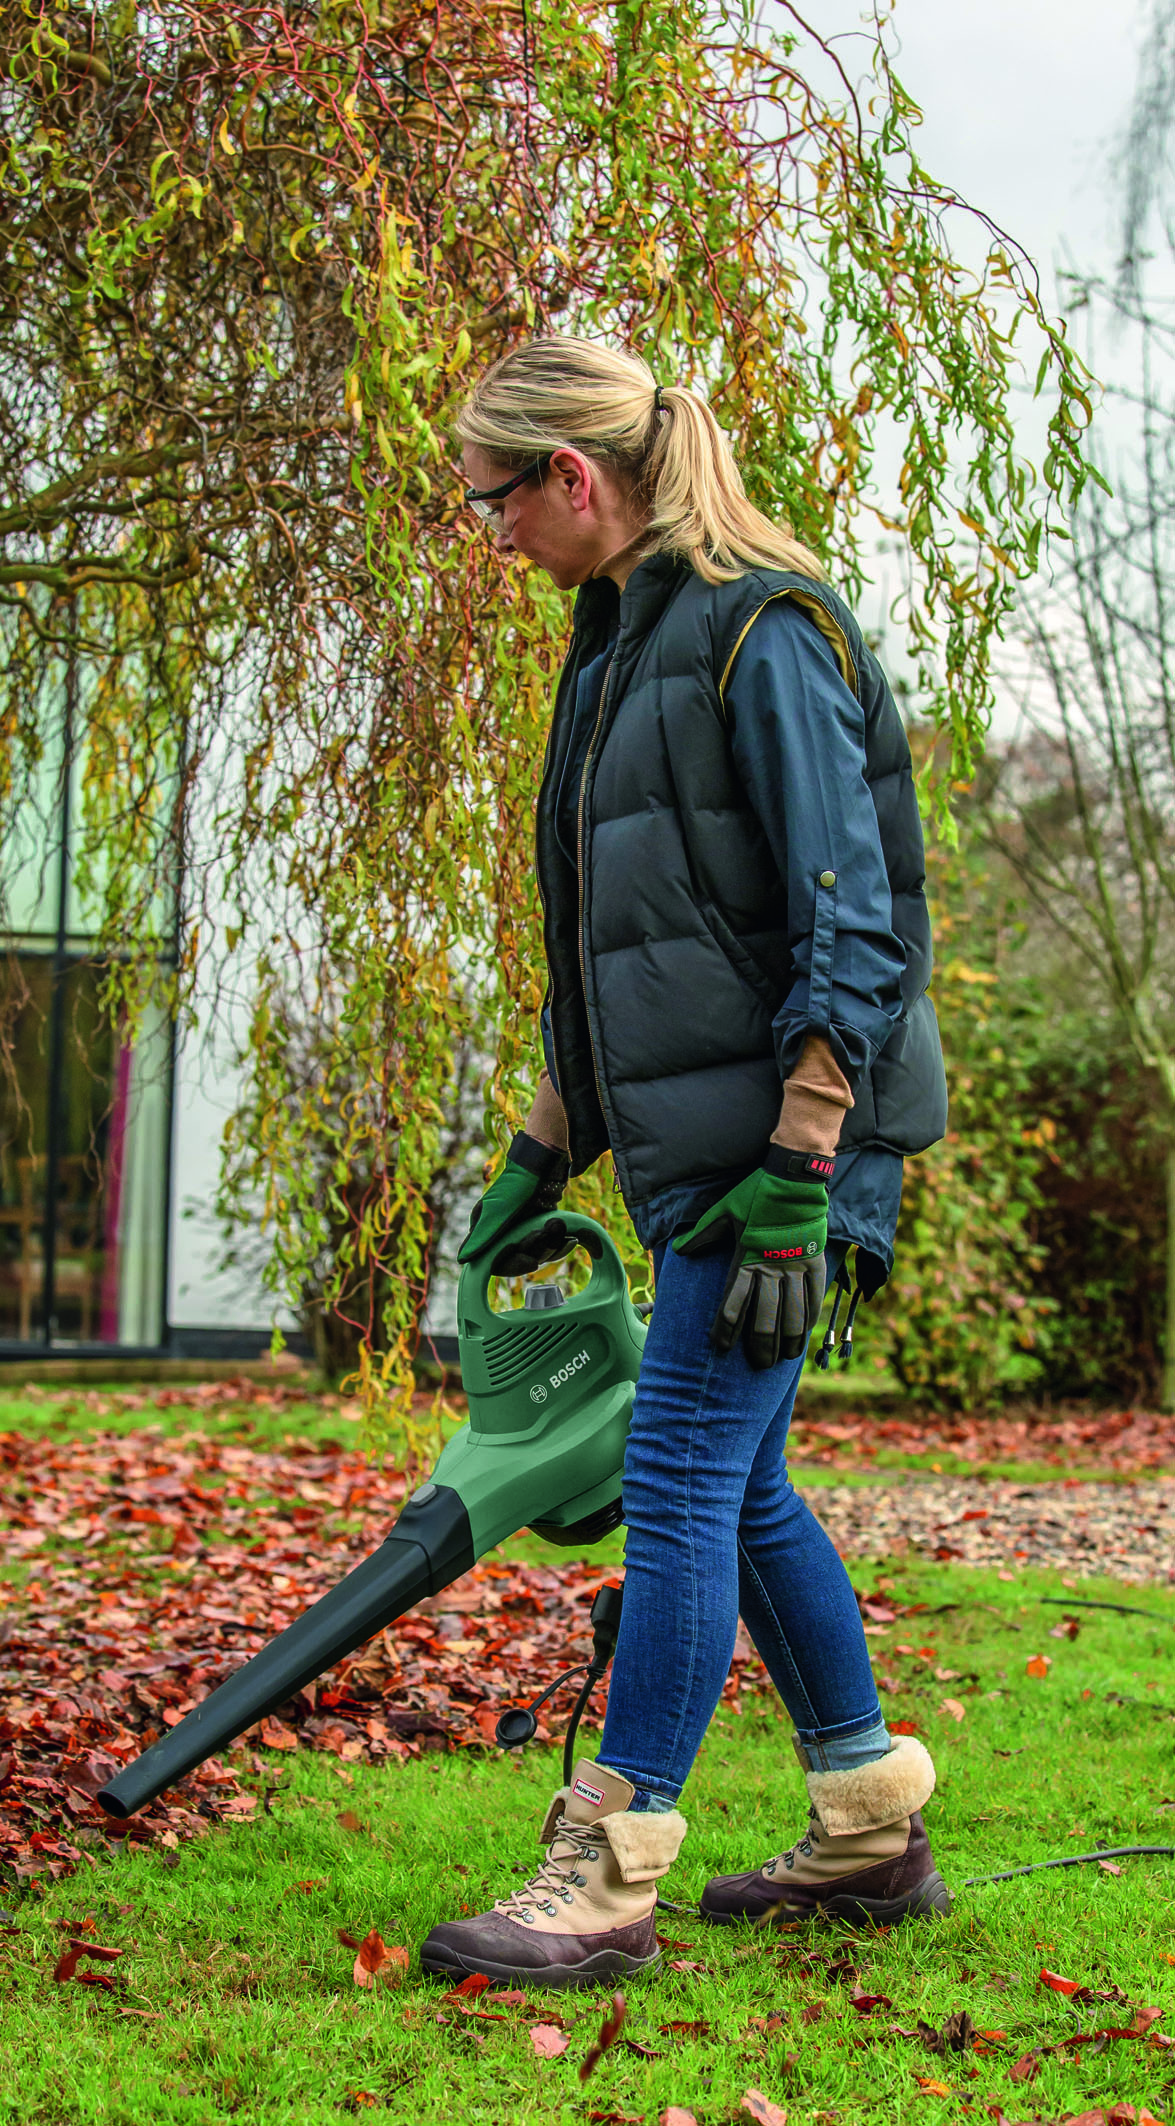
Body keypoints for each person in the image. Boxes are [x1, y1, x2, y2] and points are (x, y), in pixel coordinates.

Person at [418, 337, 951, 1990]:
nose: (491, 536)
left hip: (780, 1165)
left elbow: (844, 917)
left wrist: (803, 1152)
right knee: (745, 1485)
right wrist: (542, 1145)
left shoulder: (758, 631)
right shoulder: (618, 649)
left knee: (671, 1483)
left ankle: (608, 1864)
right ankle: (865, 1815)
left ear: (571, 480)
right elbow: (626, 951)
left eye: (495, 501)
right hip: (708, 1155)